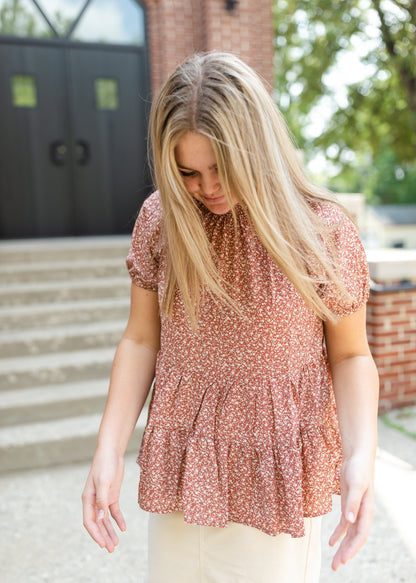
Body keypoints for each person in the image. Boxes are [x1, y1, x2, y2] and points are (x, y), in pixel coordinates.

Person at [82, 51, 379, 582]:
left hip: (273, 473)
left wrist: (361, 456)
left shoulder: (321, 231)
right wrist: (107, 450)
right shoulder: (162, 220)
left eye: (222, 167)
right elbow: (141, 341)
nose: (207, 187)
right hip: (184, 470)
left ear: (258, 146)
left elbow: (352, 354)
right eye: (187, 172)